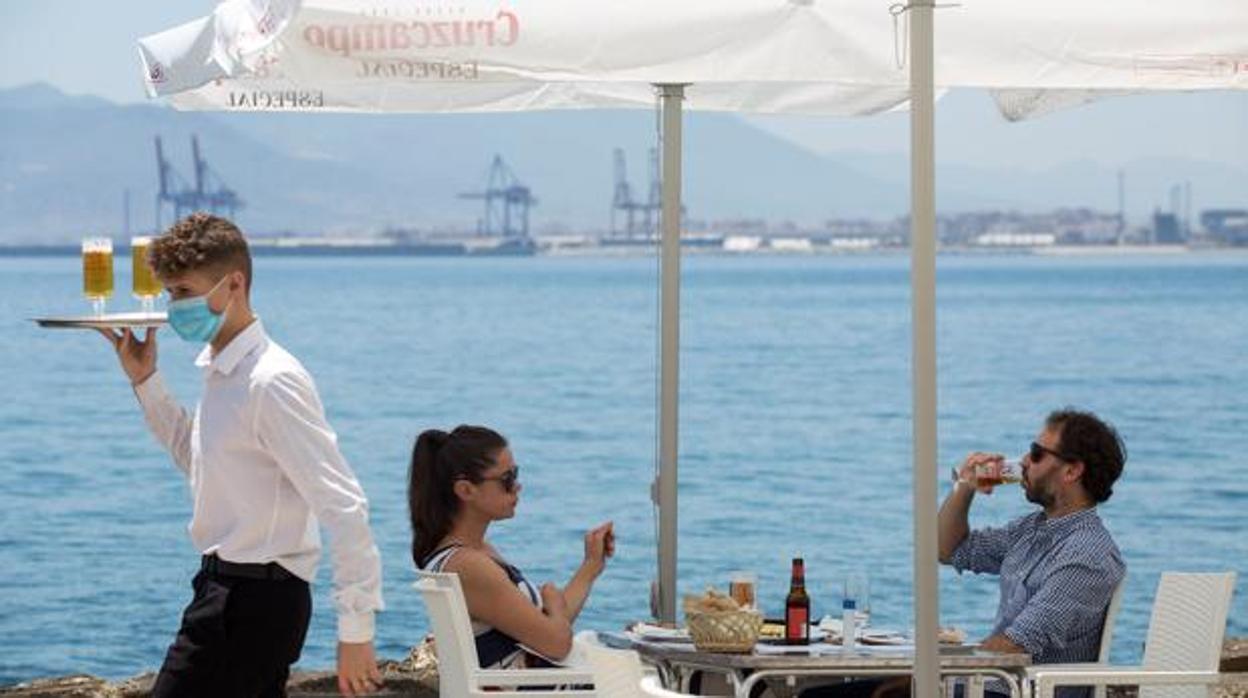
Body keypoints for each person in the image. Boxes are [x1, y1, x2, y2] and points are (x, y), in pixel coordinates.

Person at [98, 213, 384, 697]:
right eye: (169, 293)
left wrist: (356, 630)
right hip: (222, 591)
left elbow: (343, 504)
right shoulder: (223, 371)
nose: (174, 307)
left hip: (256, 599)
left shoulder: (271, 380)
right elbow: (199, 464)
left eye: (184, 291)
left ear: (235, 283)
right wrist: (145, 380)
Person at [804, 408, 1127, 698]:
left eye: (1036, 453)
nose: (1024, 461)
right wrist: (964, 488)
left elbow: (1015, 644)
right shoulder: (1031, 529)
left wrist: (929, 677)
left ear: (1071, 471)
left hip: (1012, 690)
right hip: (986, 684)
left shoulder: (1086, 556)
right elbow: (947, 549)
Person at [409, 425, 614, 668]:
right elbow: (557, 643)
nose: (517, 486)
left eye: (515, 474)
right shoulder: (468, 565)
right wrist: (554, 604)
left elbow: (544, 630)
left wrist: (591, 566)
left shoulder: (473, 554)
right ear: (466, 490)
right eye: (507, 479)